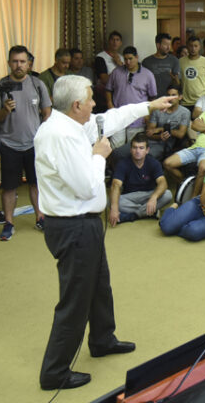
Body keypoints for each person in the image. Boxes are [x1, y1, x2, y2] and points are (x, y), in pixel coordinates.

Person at [34, 75, 175, 390]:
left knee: (99, 285)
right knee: (75, 300)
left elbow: (111, 118)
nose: (95, 103)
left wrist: (150, 105)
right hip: (73, 225)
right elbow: (86, 187)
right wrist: (99, 155)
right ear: (77, 105)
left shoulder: (72, 123)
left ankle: (102, 339)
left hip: (85, 223)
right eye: (90, 99)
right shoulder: (59, 135)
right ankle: (54, 372)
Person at [0, 45, 52, 240]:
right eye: (15, 61)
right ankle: (9, 223)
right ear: (9, 63)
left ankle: (40, 217)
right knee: (9, 187)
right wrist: (4, 111)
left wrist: (43, 135)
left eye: (23, 61)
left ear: (29, 63)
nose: (19, 65)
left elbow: (47, 112)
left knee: (36, 184)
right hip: (9, 144)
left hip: (34, 144)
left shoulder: (37, 84)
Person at [108, 133, 172, 225]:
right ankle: (148, 213)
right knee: (111, 201)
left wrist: (154, 198)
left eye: (141, 148)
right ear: (131, 149)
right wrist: (114, 209)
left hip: (148, 195)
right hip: (130, 196)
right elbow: (116, 185)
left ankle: (132, 215)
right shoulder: (123, 163)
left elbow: (163, 183)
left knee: (168, 194)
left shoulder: (153, 162)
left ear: (147, 150)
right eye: (135, 147)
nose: (137, 151)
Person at [144, 84, 189, 160]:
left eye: (173, 95)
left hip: (165, 144)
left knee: (145, 156)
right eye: (168, 95)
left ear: (180, 97)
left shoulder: (185, 112)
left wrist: (161, 129)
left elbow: (181, 134)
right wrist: (159, 136)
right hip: (149, 140)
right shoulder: (158, 110)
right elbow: (149, 132)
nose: (170, 98)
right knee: (122, 152)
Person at [179, 35, 205, 109]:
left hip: (202, 101)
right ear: (187, 46)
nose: (193, 48)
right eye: (191, 46)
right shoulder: (180, 61)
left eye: (196, 46)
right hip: (185, 102)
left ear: (200, 47)